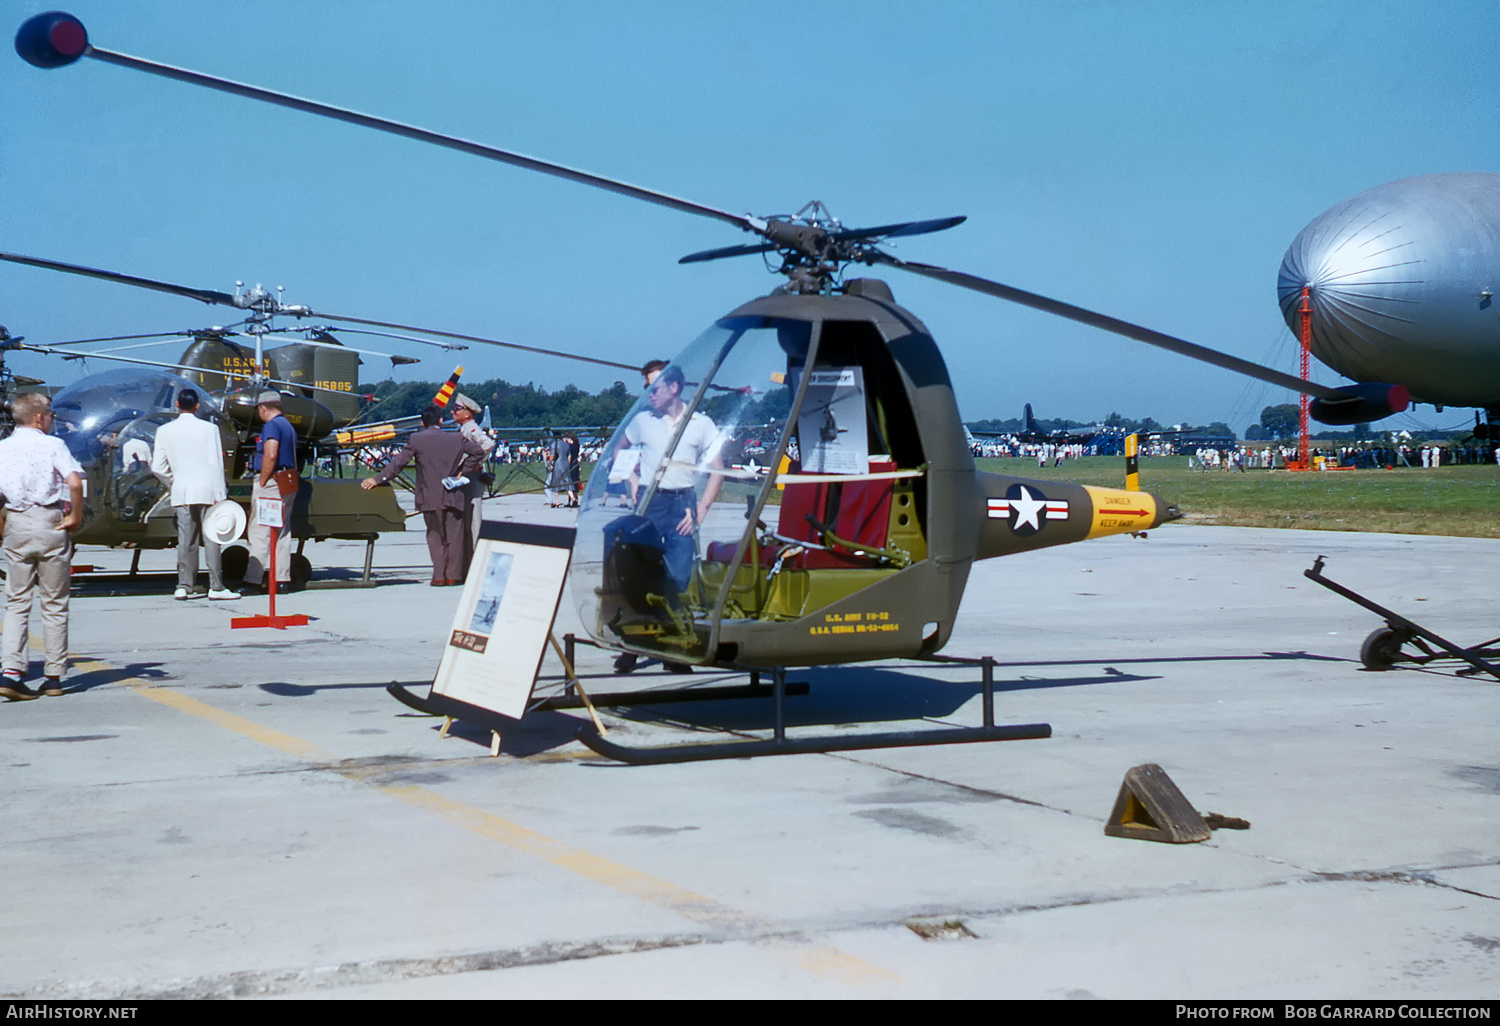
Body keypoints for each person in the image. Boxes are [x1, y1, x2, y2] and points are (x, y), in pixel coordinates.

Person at [0, 393, 84, 700]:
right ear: (39, 417)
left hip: (17, 524)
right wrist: (75, 515)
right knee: (54, 603)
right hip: (49, 523)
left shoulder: (2, 449)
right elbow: (74, 482)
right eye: (50, 416)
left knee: (16, 602)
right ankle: (53, 678)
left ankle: (10, 672)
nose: (51, 421)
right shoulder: (53, 446)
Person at [361, 405, 485, 585]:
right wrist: (462, 471)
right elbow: (478, 452)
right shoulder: (457, 438)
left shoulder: (416, 439)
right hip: (453, 493)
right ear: (441, 421)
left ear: (422, 422)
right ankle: (453, 576)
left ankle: (439, 576)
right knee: (455, 536)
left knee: (435, 536)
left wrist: (379, 479)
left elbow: (398, 463)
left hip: (429, 495)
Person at [151, 388, 237, 601]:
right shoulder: (209, 429)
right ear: (197, 406)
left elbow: (158, 468)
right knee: (212, 539)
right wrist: (221, 494)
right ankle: (216, 586)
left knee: (186, 540)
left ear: (177, 405)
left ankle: (184, 585)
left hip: (182, 490)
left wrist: (174, 482)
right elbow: (216, 463)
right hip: (208, 489)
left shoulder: (164, 430)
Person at [243, 391, 299, 595]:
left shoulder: (271, 426)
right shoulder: (288, 426)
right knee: (282, 531)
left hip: (272, 481)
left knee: (260, 531)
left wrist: (263, 480)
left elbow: (271, 454)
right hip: (287, 481)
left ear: (263, 408)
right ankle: (281, 579)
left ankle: (253, 579)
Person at [450, 393, 494, 572]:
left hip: (472, 478)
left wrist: (474, 463)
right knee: (466, 519)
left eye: (457, 409)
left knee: (474, 520)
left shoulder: (471, 429)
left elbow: (488, 444)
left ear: (467, 414)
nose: (453, 412)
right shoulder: (464, 429)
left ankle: (477, 561)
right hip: (465, 478)